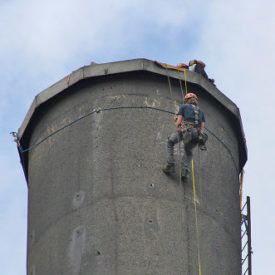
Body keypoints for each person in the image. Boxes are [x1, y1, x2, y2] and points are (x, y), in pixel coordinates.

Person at [162, 93, 206, 180]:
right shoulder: (201, 112)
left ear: (187, 100)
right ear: (195, 100)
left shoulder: (183, 107)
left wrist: (176, 121)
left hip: (186, 130)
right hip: (197, 134)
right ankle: (185, 171)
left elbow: (178, 123)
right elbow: (202, 128)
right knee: (188, 151)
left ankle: (170, 164)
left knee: (170, 142)